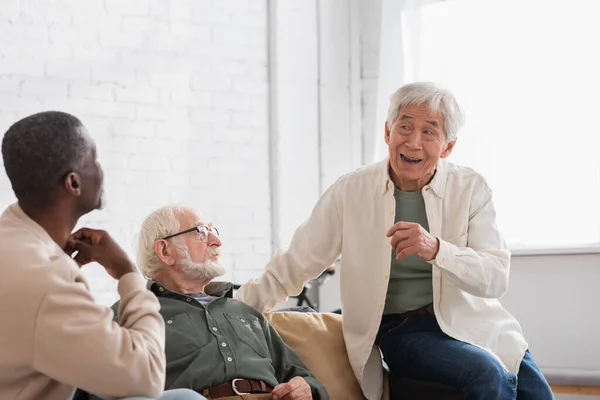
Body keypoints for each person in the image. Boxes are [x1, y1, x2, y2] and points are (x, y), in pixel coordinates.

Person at [234, 82, 554, 400]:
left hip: (475, 322)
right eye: (404, 126)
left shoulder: (471, 188)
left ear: (447, 147)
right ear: (388, 133)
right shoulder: (352, 191)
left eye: (429, 131)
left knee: (538, 394)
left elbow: (496, 278)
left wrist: (437, 249)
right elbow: (295, 263)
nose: (413, 142)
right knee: (487, 373)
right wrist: (231, 310)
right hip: (402, 330)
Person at [0, 111, 204, 400]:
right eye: (93, 160)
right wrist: (127, 273)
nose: (100, 169)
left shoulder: (13, 243)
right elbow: (146, 375)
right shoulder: (45, 280)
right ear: (73, 183)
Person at [79, 205, 328, 400]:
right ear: (165, 251)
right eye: (201, 232)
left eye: (214, 231)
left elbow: (304, 377)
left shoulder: (245, 313)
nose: (216, 242)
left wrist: (307, 389)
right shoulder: (129, 315)